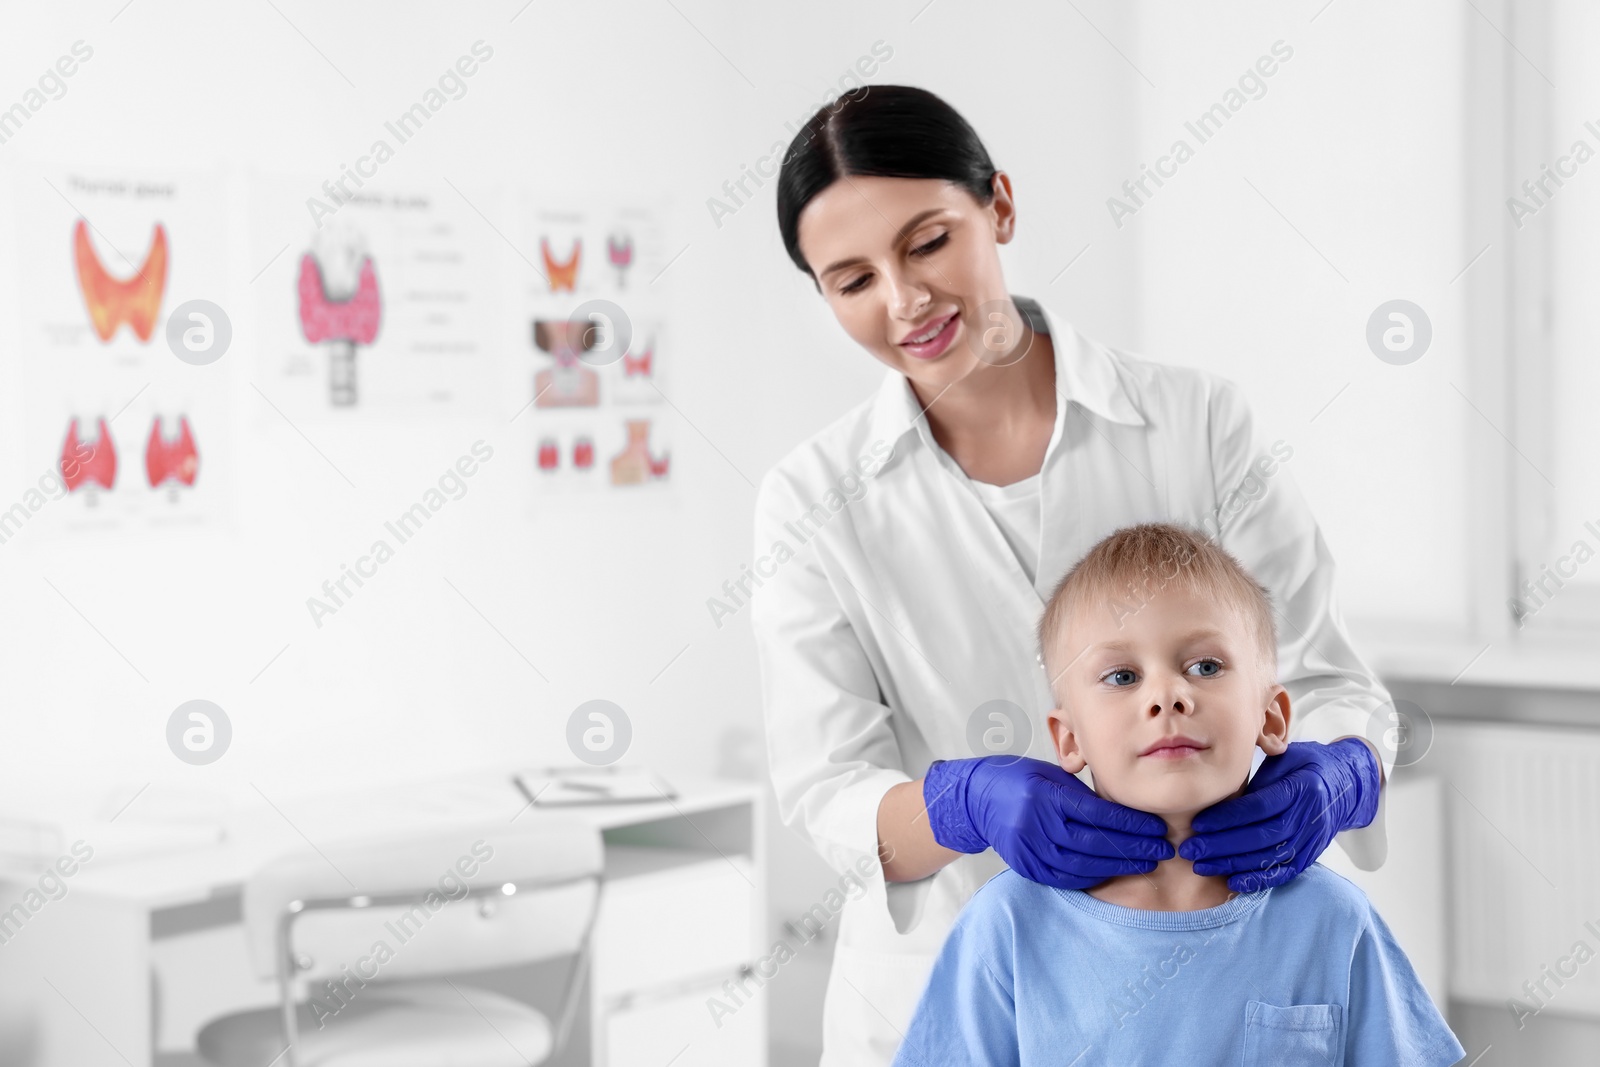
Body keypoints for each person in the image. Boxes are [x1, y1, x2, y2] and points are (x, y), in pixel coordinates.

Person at [752, 84, 1394, 1066]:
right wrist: (960, 806)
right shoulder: (810, 498)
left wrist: (1337, 773)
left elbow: (1329, 681)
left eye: (927, 242)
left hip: (1215, 978)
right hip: (941, 993)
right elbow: (826, 786)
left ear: (999, 206)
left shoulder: (1198, 424)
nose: (903, 300)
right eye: (851, 279)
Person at [888, 522, 1463, 1066]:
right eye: (1121, 676)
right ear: (1068, 739)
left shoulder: (1333, 922)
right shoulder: (1007, 926)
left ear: (1272, 715)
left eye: (1206, 665)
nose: (1167, 696)